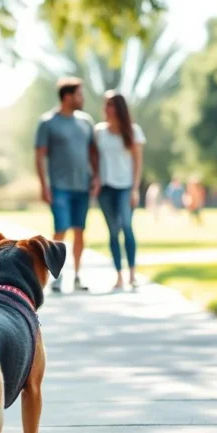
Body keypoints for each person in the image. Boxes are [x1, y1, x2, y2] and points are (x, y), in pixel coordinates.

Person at [34, 77, 98, 293]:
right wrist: (44, 186)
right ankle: (57, 276)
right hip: (59, 187)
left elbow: (93, 152)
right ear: (68, 96)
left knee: (80, 231)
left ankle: (78, 276)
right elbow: (40, 155)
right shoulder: (48, 122)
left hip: (82, 186)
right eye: (79, 94)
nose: (83, 99)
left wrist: (96, 177)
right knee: (60, 230)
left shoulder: (86, 121)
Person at [94, 91, 145, 291]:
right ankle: (118, 276)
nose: (106, 109)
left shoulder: (133, 131)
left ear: (119, 108)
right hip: (106, 189)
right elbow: (95, 160)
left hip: (125, 187)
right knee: (113, 232)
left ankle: (132, 274)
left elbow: (138, 162)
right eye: (105, 105)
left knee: (126, 225)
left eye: (110, 105)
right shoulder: (99, 132)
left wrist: (135, 188)